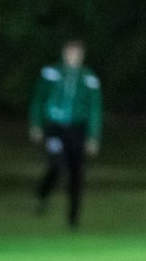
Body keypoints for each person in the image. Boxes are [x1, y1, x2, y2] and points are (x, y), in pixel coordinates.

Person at [28, 39, 103, 228]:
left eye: (77, 53)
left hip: (77, 129)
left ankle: (73, 217)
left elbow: (95, 108)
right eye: (70, 52)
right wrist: (36, 123)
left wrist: (93, 137)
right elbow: (39, 98)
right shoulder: (51, 73)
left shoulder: (89, 78)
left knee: (77, 172)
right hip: (56, 127)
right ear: (64, 53)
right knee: (56, 164)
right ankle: (42, 195)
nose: (73, 56)